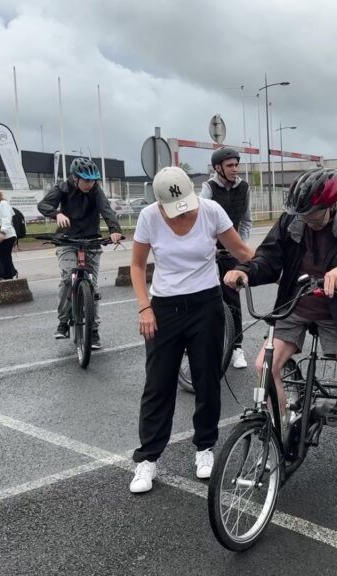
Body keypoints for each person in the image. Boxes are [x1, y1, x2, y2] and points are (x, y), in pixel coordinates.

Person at [223, 168, 337, 504]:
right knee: (263, 367)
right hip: (297, 305)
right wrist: (245, 271)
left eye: (312, 213)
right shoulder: (291, 223)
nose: (306, 219)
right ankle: (279, 433)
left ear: (331, 206)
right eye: (300, 213)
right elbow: (269, 259)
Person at [128, 167, 254, 493]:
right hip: (164, 308)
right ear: (157, 201)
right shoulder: (148, 217)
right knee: (158, 384)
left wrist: (276, 267)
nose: (181, 211)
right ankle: (147, 459)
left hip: (205, 305)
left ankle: (204, 448)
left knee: (206, 380)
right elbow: (138, 265)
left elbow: (241, 251)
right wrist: (144, 307)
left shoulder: (210, 210)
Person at [37, 158, 123, 349]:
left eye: (92, 181)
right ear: (75, 178)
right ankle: (63, 321)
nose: (89, 184)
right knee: (69, 278)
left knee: (91, 286)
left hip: (91, 241)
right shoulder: (63, 188)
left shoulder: (95, 190)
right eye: (86, 180)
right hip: (66, 241)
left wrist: (114, 230)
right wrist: (56, 213)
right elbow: (43, 205)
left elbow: (106, 210)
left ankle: (93, 331)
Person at [198, 147, 251, 370]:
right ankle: (208, 344)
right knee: (206, 299)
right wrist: (207, 248)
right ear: (218, 168)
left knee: (233, 300)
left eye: (236, 165)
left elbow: (246, 221)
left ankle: (237, 348)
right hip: (210, 253)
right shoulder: (208, 188)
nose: (235, 169)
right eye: (230, 165)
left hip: (231, 254)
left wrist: (241, 246)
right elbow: (199, 219)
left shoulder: (244, 188)